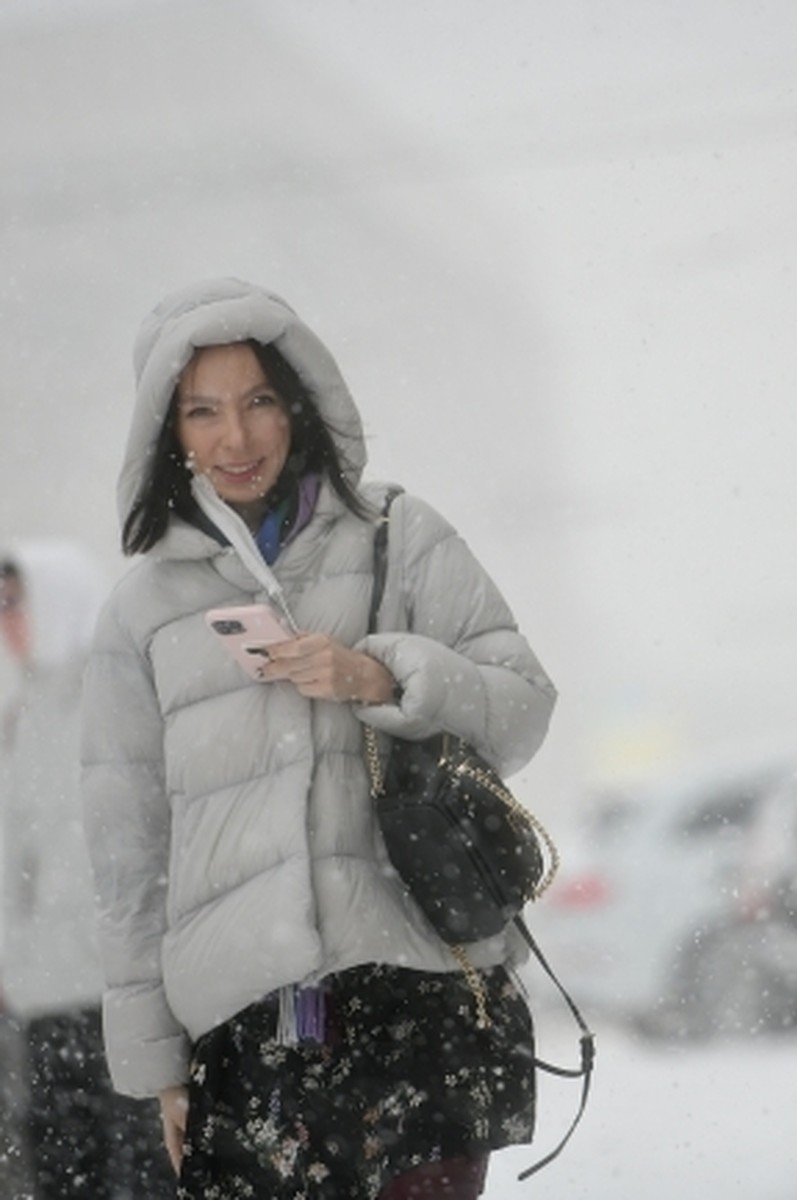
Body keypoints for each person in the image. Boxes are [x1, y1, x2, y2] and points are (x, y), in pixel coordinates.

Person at [80, 278, 557, 1200]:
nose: (238, 438)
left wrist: (384, 677)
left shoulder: (399, 536)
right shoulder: (138, 616)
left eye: (259, 400)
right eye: (203, 411)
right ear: (166, 432)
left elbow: (525, 706)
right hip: (248, 1034)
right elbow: (130, 864)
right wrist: (159, 1070)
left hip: (421, 997)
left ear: (299, 403)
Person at [0, 541, 175, 1198]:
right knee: (65, 1161)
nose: (6, 621)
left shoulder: (123, 693)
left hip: (122, 983)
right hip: (45, 989)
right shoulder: (21, 716)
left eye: (16, 603)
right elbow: (15, 852)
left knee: (144, 1156)